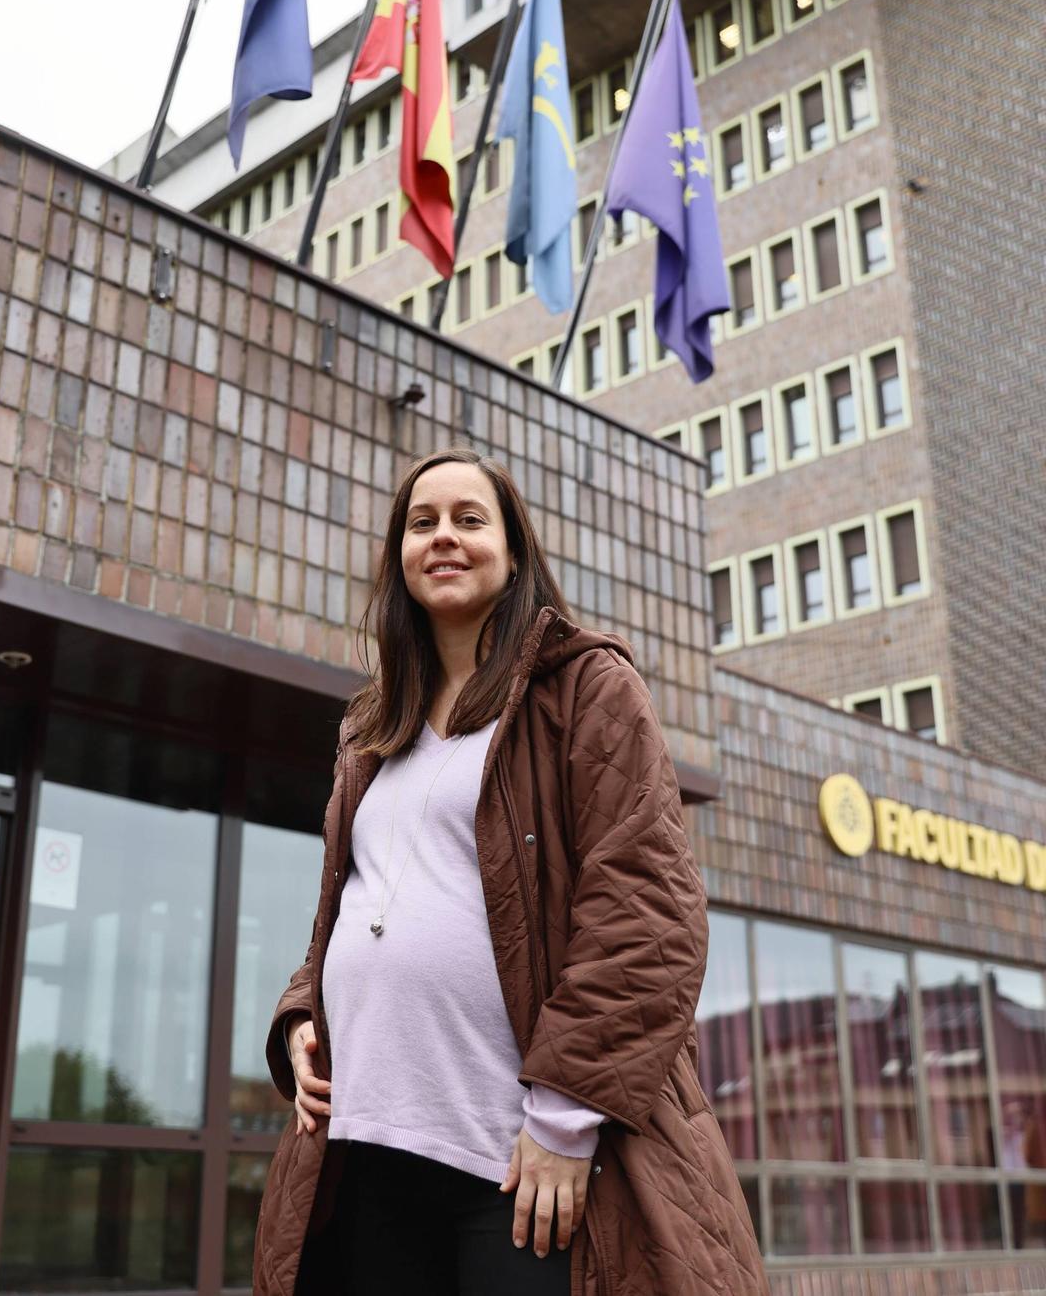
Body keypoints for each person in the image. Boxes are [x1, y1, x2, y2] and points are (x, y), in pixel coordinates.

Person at [253, 448, 767, 1296]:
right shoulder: (369, 729)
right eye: (422, 524)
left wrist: (564, 1121)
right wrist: (303, 1015)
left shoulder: (586, 690)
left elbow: (648, 920)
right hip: (367, 1146)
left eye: (468, 519)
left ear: (514, 551)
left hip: (515, 1162)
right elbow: (354, 913)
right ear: (399, 558)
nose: (443, 538)